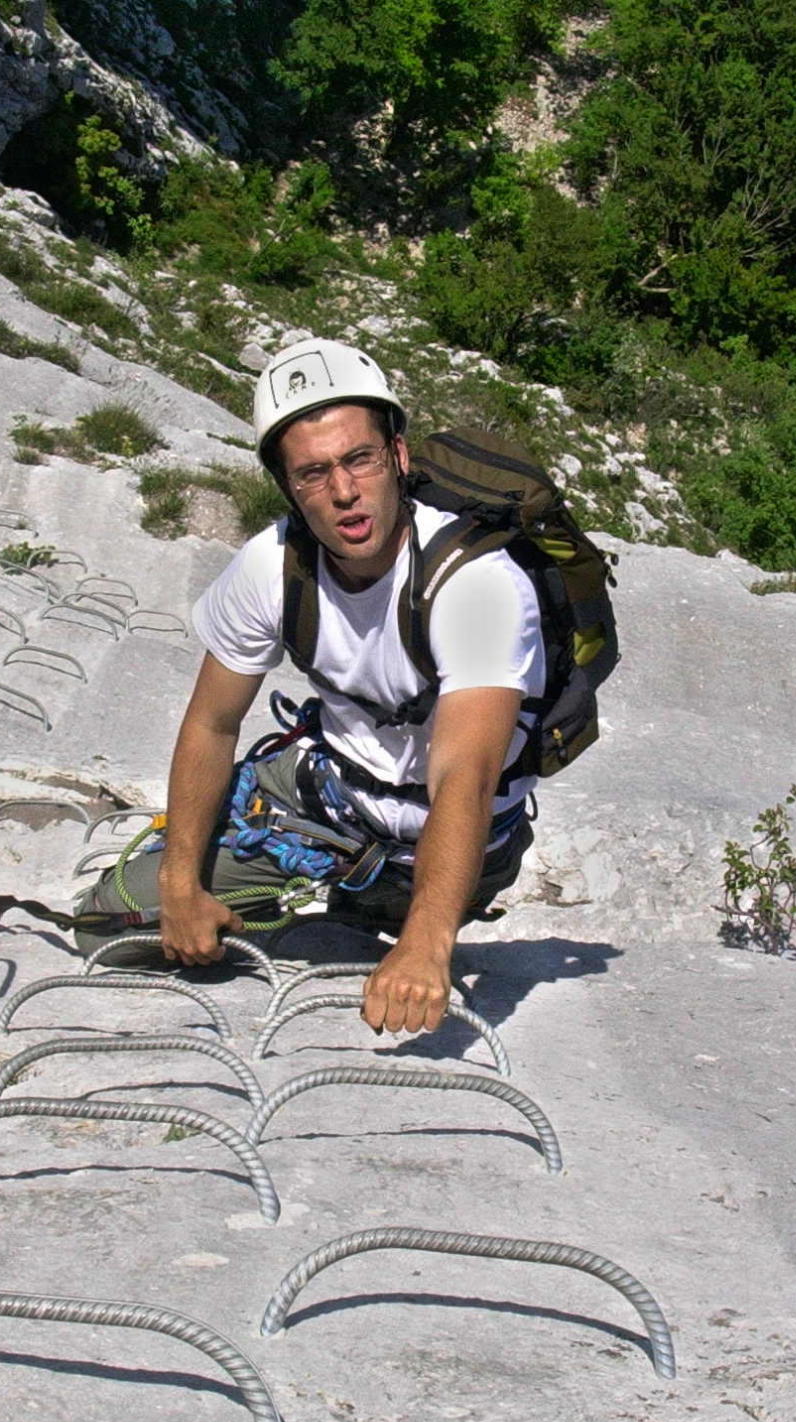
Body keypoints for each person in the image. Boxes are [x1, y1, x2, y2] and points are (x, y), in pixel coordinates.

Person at [75, 337, 545, 1035]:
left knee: (374, 937)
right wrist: (180, 886)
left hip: (449, 840)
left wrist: (425, 945)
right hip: (330, 799)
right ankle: (299, 899)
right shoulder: (273, 566)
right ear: (288, 488)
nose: (344, 491)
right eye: (313, 473)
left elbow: (465, 777)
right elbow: (212, 724)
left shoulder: (477, 586)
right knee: (107, 926)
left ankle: (372, 909)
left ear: (399, 456)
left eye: (360, 459)